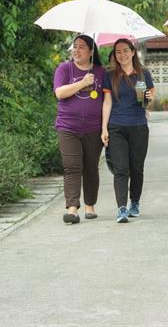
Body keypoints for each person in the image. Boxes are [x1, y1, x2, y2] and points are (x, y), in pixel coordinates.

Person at [101, 39, 155, 223]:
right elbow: (107, 102)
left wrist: (148, 97)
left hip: (138, 126)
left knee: (136, 168)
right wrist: (104, 129)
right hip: (116, 126)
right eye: (118, 52)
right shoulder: (110, 76)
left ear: (133, 52)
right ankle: (121, 208)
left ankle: (135, 202)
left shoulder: (143, 74)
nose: (122, 55)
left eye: (125, 51)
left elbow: (148, 101)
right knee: (121, 169)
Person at [53, 34, 105, 224]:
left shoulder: (100, 72)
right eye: (74, 46)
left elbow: (107, 99)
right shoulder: (64, 68)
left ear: (91, 51)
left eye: (81, 47)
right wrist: (83, 83)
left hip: (93, 127)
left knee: (91, 168)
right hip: (68, 127)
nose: (76, 50)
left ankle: (90, 205)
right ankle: (72, 208)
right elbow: (60, 93)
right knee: (72, 167)